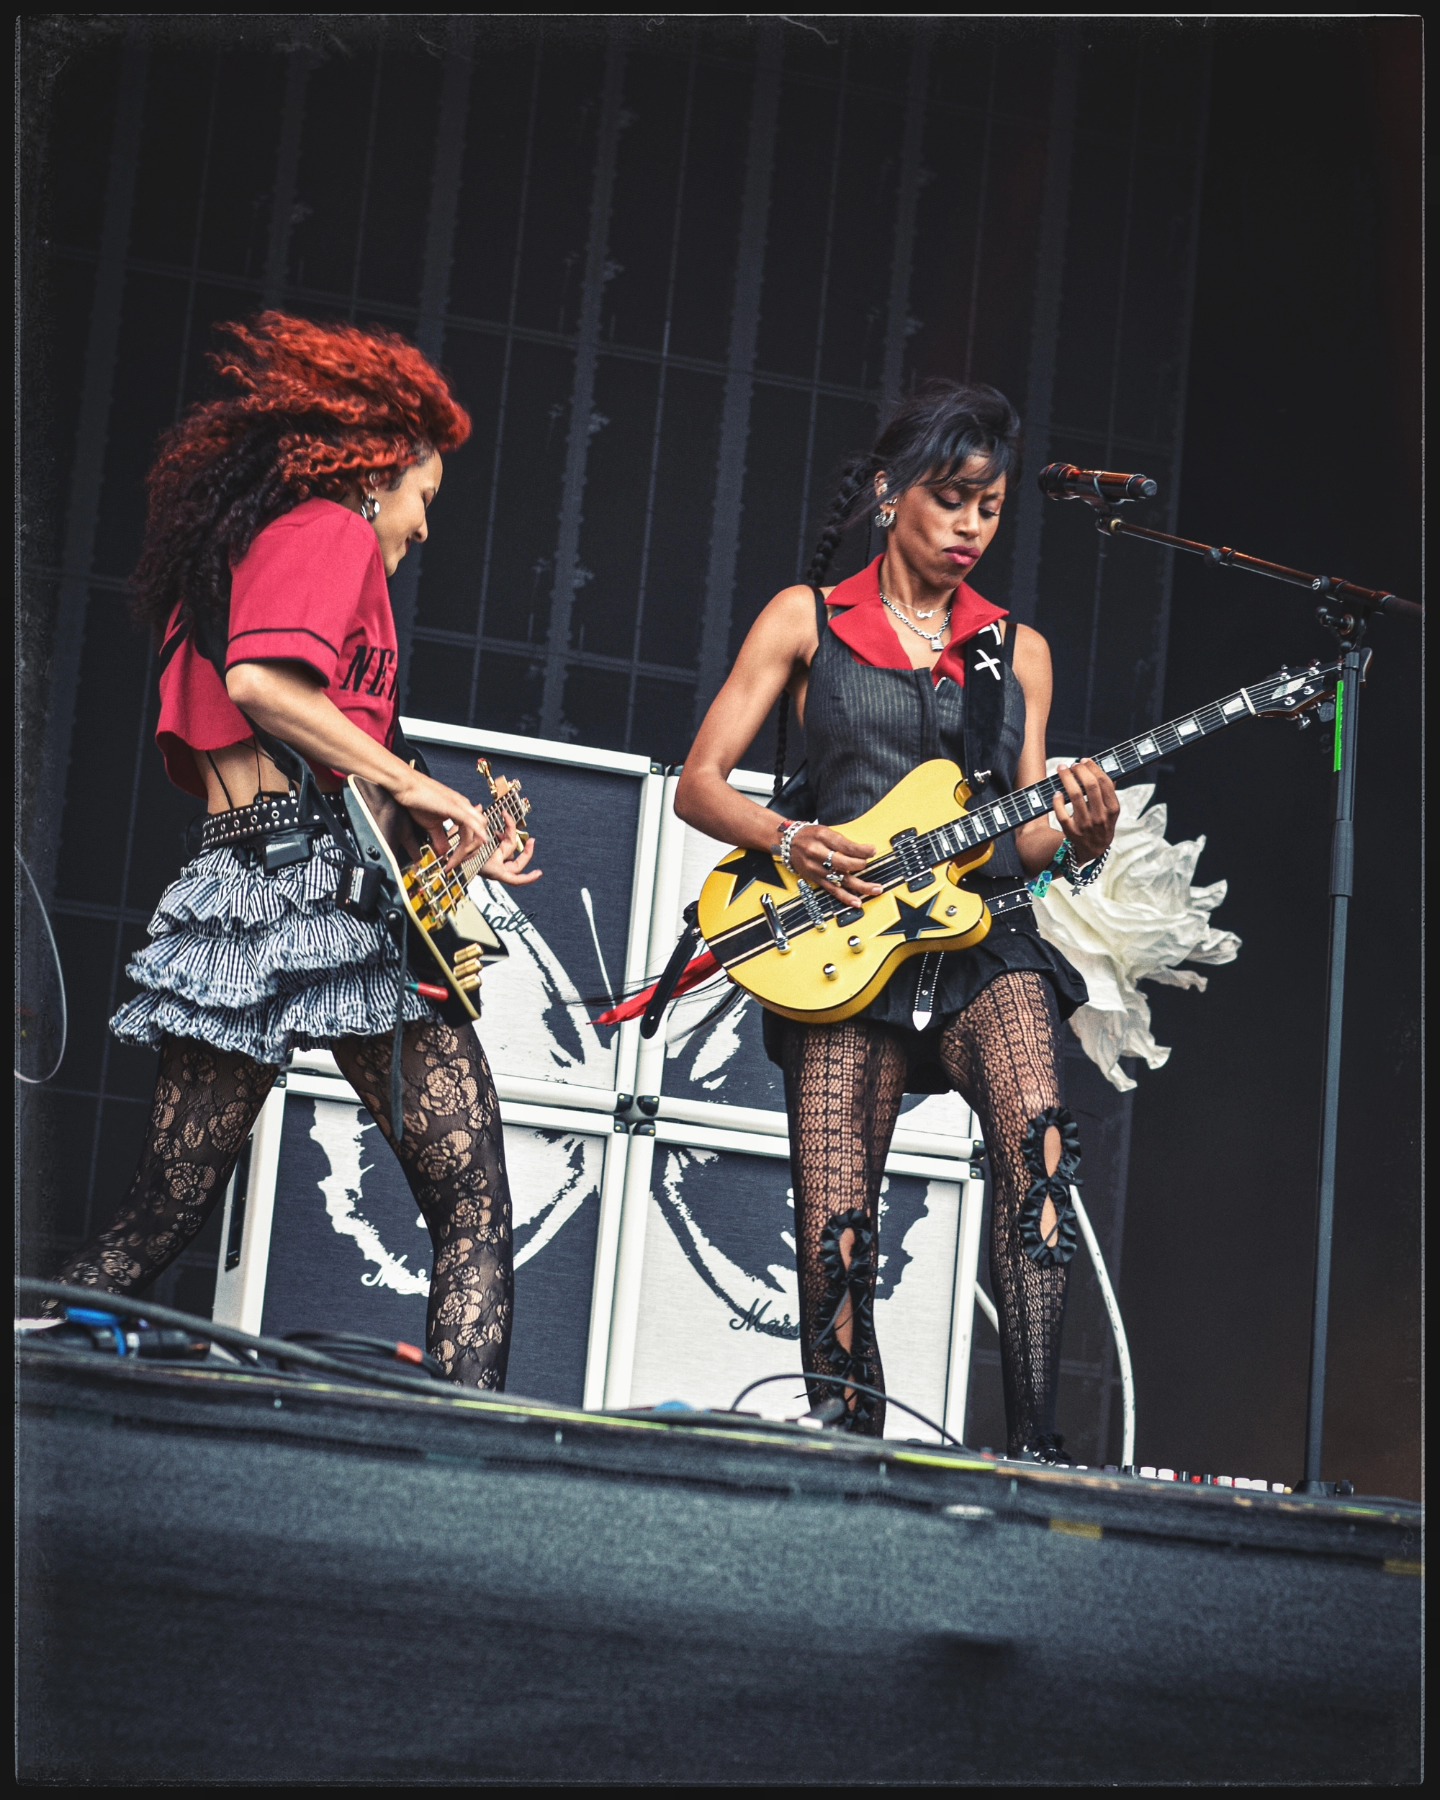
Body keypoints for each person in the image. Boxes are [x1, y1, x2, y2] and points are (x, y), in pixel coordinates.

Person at [48, 312, 539, 1391]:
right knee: (472, 1207)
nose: (424, 527)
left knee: (159, 1211)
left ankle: (33, 1373)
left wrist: (439, 836)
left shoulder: (238, 554)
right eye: (424, 496)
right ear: (375, 472)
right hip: (322, 897)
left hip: (240, 887)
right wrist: (419, 786)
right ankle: (465, 1457)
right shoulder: (330, 531)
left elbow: (304, 763)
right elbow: (263, 685)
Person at [674, 381, 1119, 1458]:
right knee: (837, 1226)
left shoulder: (1016, 649)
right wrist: (789, 838)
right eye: (951, 498)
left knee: (1039, 1143)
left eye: (991, 508)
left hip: (984, 936)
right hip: (846, 934)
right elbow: (700, 784)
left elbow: (1024, 836)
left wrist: (1082, 837)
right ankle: (848, 1455)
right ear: (890, 491)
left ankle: (1035, 1451)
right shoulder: (806, 618)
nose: (971, 527)